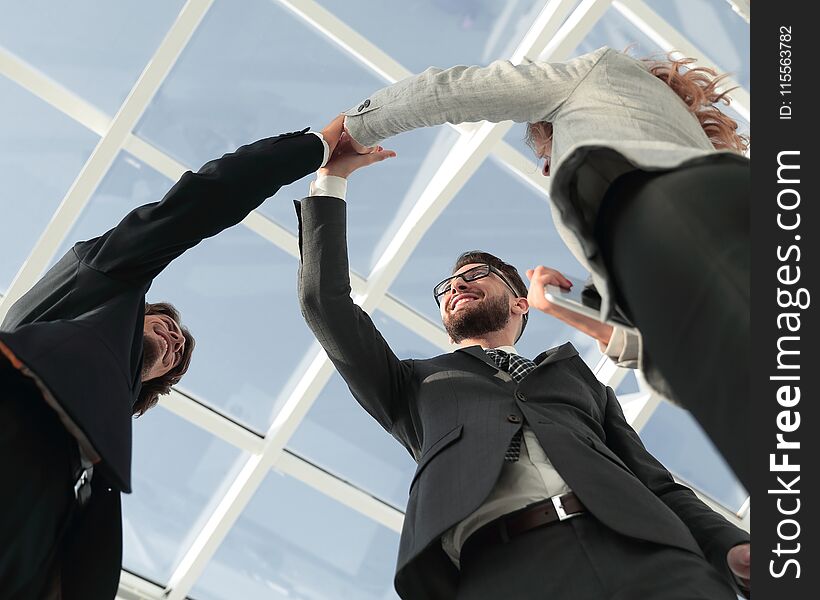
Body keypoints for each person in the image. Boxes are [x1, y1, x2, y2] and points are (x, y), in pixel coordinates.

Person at [296, 135, 750, 599]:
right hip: (503, 572)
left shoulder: (577, 379)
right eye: (448, 285)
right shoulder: (409, 386)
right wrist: (332, 179)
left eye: (474, 275)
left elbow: (656, 482)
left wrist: (730, 544)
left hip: (651, 555)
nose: (456, 286)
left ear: (520, 303)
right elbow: (323, 302)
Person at [340, 47, 751, 489]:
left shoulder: (597, 77)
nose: (546, 171)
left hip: (679, 225)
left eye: (545, 155)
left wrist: (354, 129)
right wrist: (586, 317)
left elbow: (457, 92)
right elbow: (680, 358)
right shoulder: (669, 141)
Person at [0, 119, 344, 599]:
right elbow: (197, 204)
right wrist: (314, 148)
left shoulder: (95, 455)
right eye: (167, 322)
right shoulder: (96, 285)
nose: (177, 340)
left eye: (177, 356)